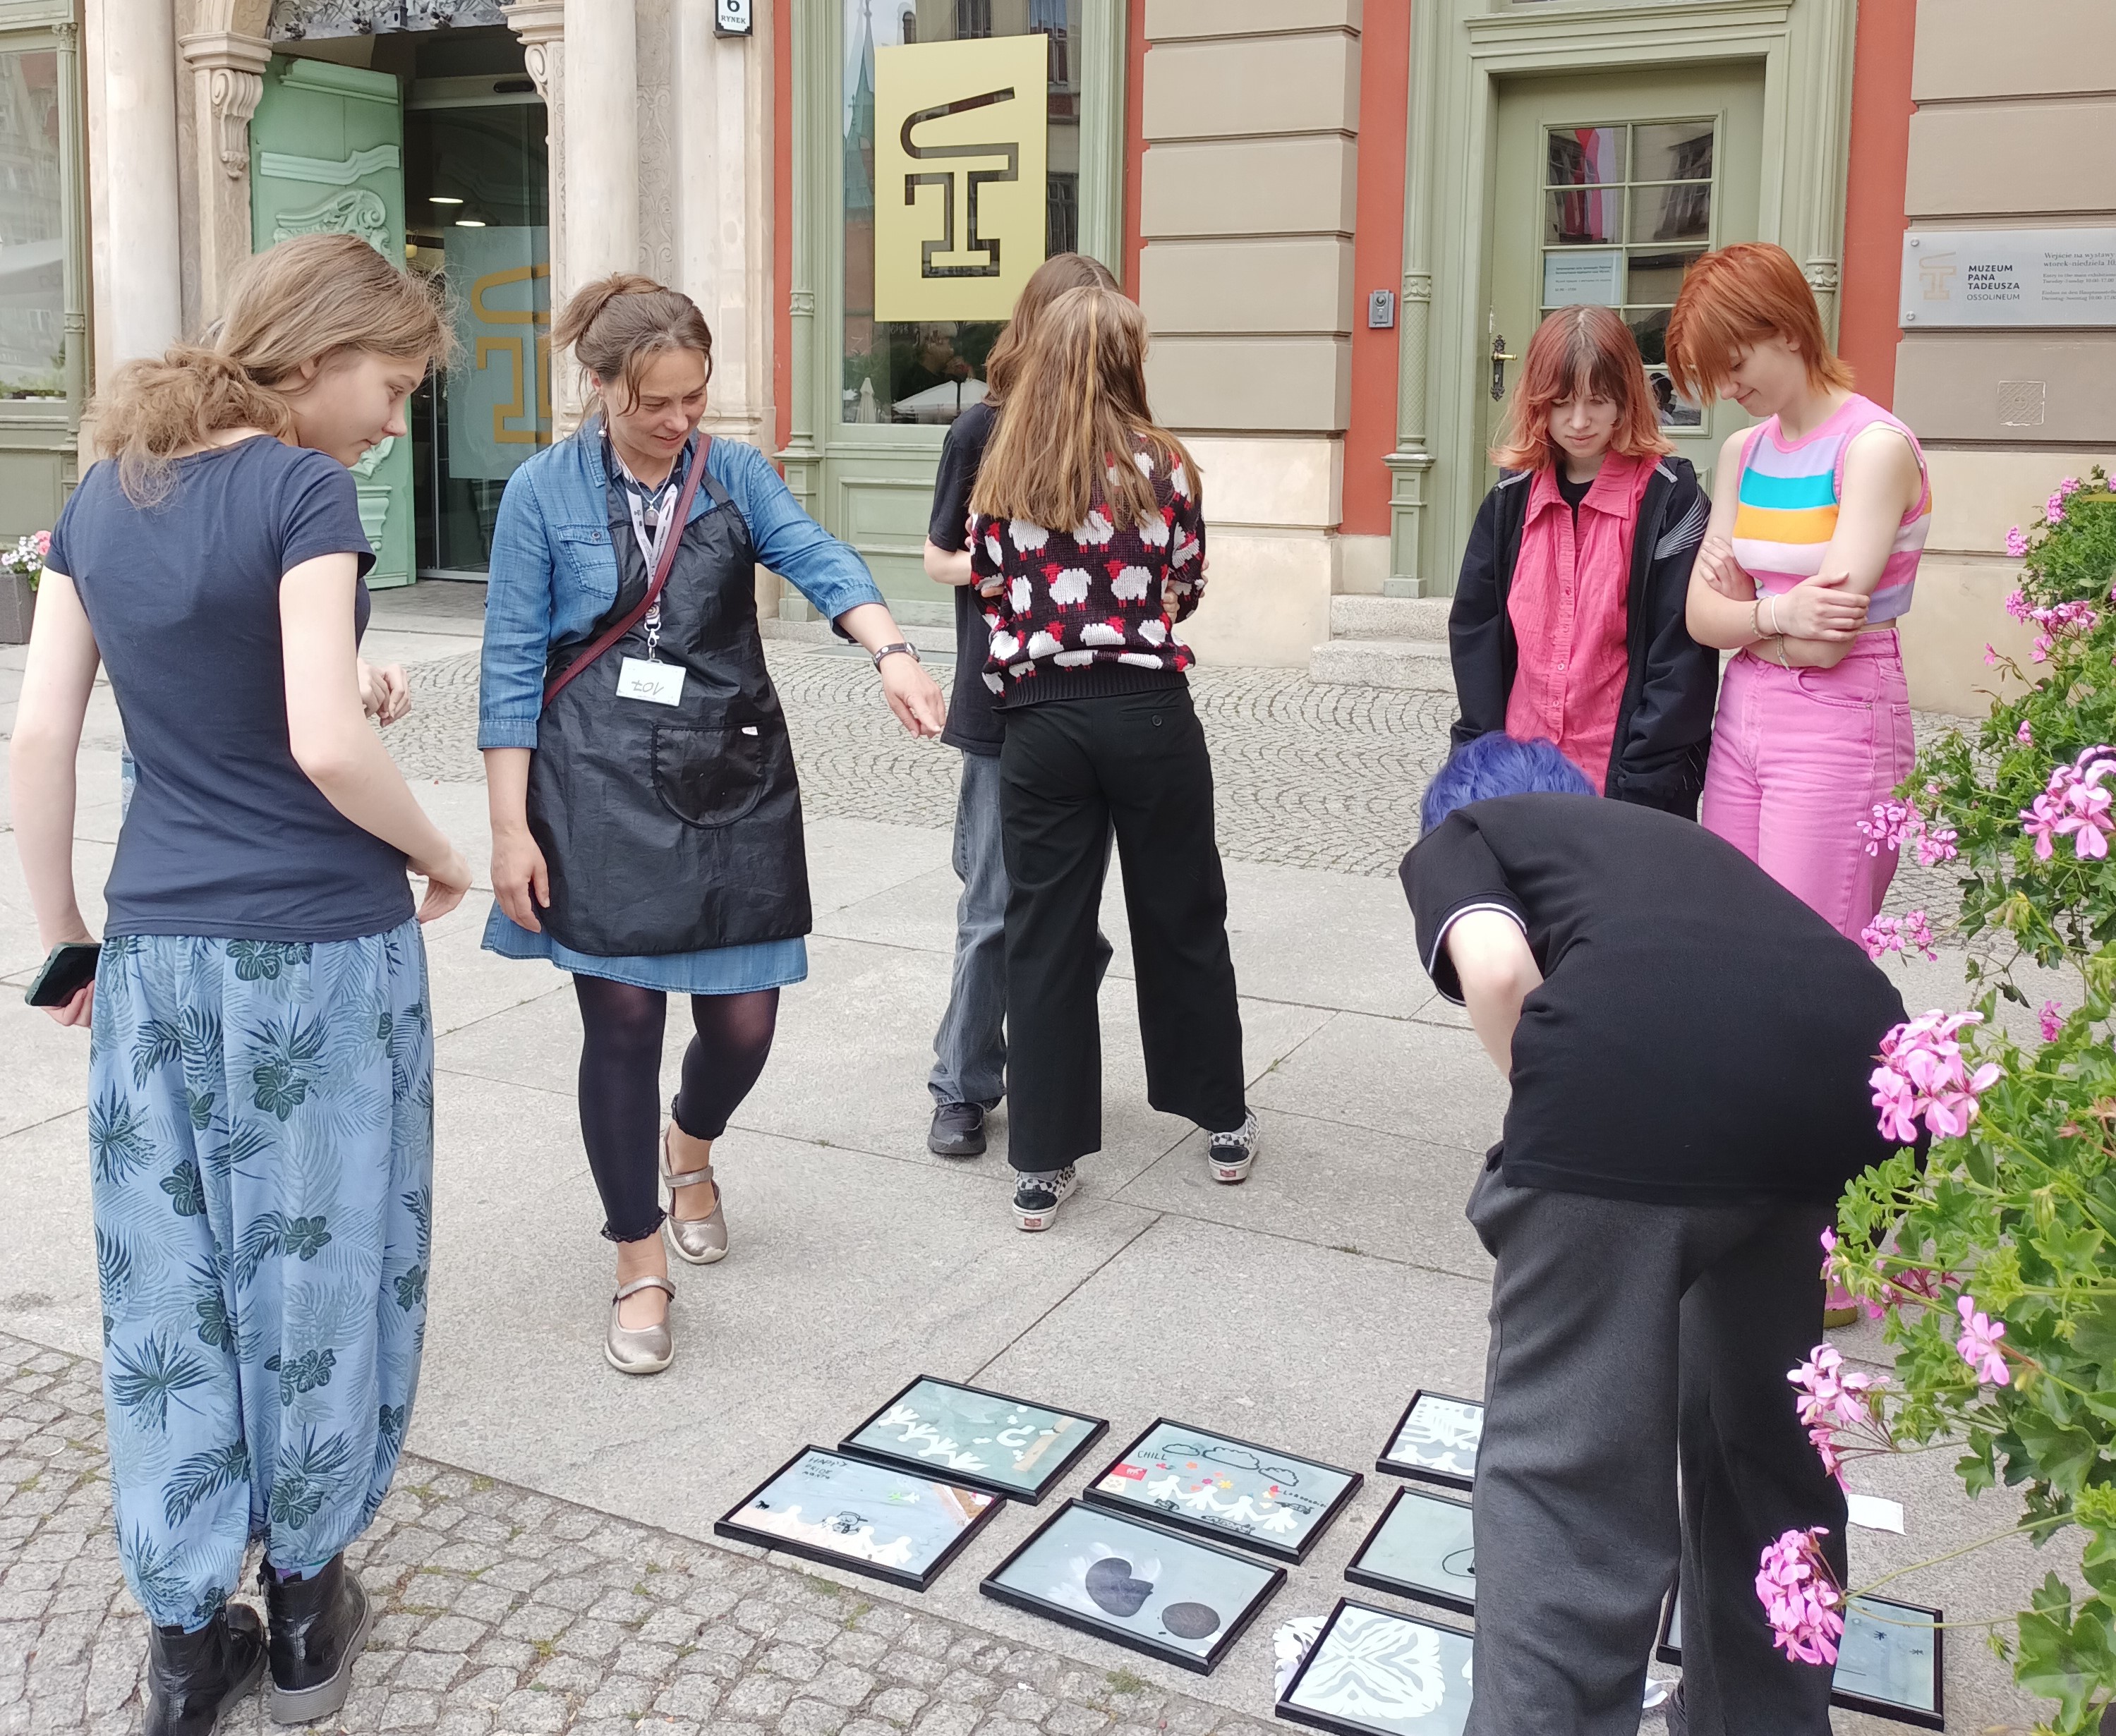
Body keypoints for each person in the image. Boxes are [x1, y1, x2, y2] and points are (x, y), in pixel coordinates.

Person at [9, 232, 468, 1735]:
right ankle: (309, 1611)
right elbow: (325, 744)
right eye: (391, 385)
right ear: (318, 352)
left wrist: (66, 932)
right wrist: (440, 851)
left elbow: (41, 736)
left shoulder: (103, 490)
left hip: (155, 952)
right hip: (317, 953)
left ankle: (185, 1642)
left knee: (172, 1289)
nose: (393, 421)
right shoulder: (301, 489)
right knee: (316, 1280)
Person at [1399, 732, 1914, 1736]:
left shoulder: (1469, 831)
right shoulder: (1657, 849)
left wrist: (1549, 1124)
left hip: (1638, 1090)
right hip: (1862, 1082)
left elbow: (1497, 971)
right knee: (1765, 1444)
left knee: (1564, 1475)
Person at [479, 274, 947, 1374]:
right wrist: (508, 829)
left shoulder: (731, 473)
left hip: (727, 772)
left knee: (742, 1026)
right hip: (593, 781)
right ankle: (636, 1256)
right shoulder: (542, 492)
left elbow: (818, 557)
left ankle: (689, 1140)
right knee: (622, 1024)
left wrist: (890, 650)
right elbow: (509, 666)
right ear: (601, 386)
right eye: (656, 402)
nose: (678, 419)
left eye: (694, 396)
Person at [968, 281, 1258, 1232]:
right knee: (1182, 913)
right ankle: (1219, 1117)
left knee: (1043, 933)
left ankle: (1041, 1162)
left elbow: (990, 589)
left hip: (1039, 723)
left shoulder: (1005, 461)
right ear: (1127, 359)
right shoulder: (1163, 462)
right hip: (1145, 711)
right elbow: (1184, 582)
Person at [1666, 241, 1930, 938]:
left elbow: (1824, 646)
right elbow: (1698, 617)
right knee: (1731, 932)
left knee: (1809, 948)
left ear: (1786, 330)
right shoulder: (1743, 452)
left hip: (1840, 717)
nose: (1727, 389)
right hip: (1742, 711)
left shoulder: (1871, 448)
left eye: (1734, 364)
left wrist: (1745, 617)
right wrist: (1779, 612)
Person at [921, 252, 1119, 1160]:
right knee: (994, 905)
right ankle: (961, 1084)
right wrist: (1016, 566)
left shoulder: (1123, 438)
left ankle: (1045, 1057)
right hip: (1001, 701)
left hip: (1096, 700)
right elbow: (937, 559)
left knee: (1071, 915)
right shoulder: (981, 429)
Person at [1449, 303, 1717, 815]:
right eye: (1561, 402)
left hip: (1623, 781)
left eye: (1597, 401)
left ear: (1626, 399)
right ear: (1537, 403)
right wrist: (1485, 756)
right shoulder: (1509, 502)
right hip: (1521, 775)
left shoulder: (1670, 500)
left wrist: (1642, 782)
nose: (1578, 422)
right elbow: (1475, 634)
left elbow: (1680, 656)